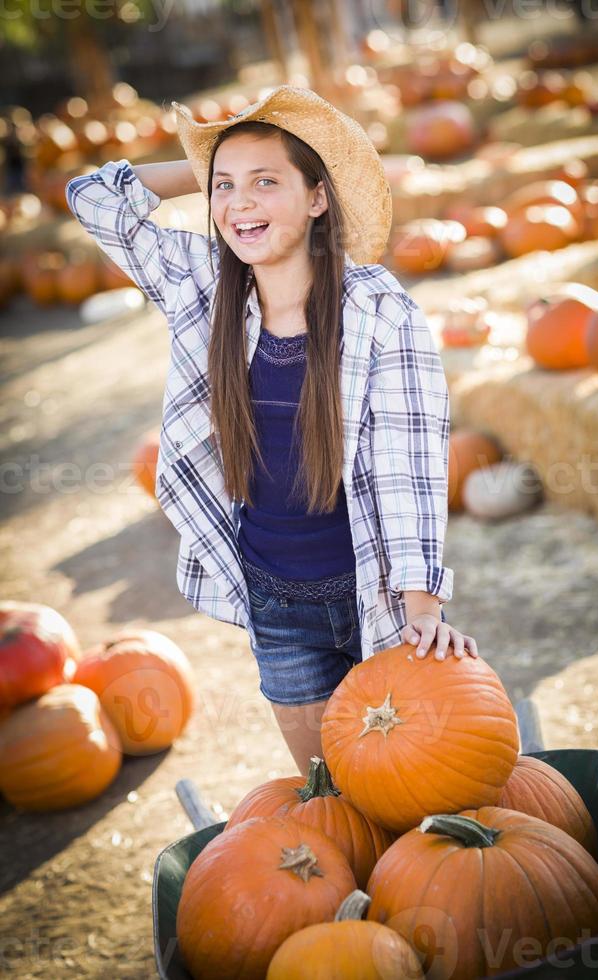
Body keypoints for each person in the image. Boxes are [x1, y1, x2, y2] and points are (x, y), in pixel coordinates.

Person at [65, 84, 479, 776]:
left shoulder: (378, 308)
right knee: (328, 796)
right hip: (275, 603)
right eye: (225, 187)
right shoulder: (201, 278)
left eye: (267, 182)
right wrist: (213, 174)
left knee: (410, 787)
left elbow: (410, 461)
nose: (240, 203)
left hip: (371, 589)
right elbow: (93, 195)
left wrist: (422, 606)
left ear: (318, 196)